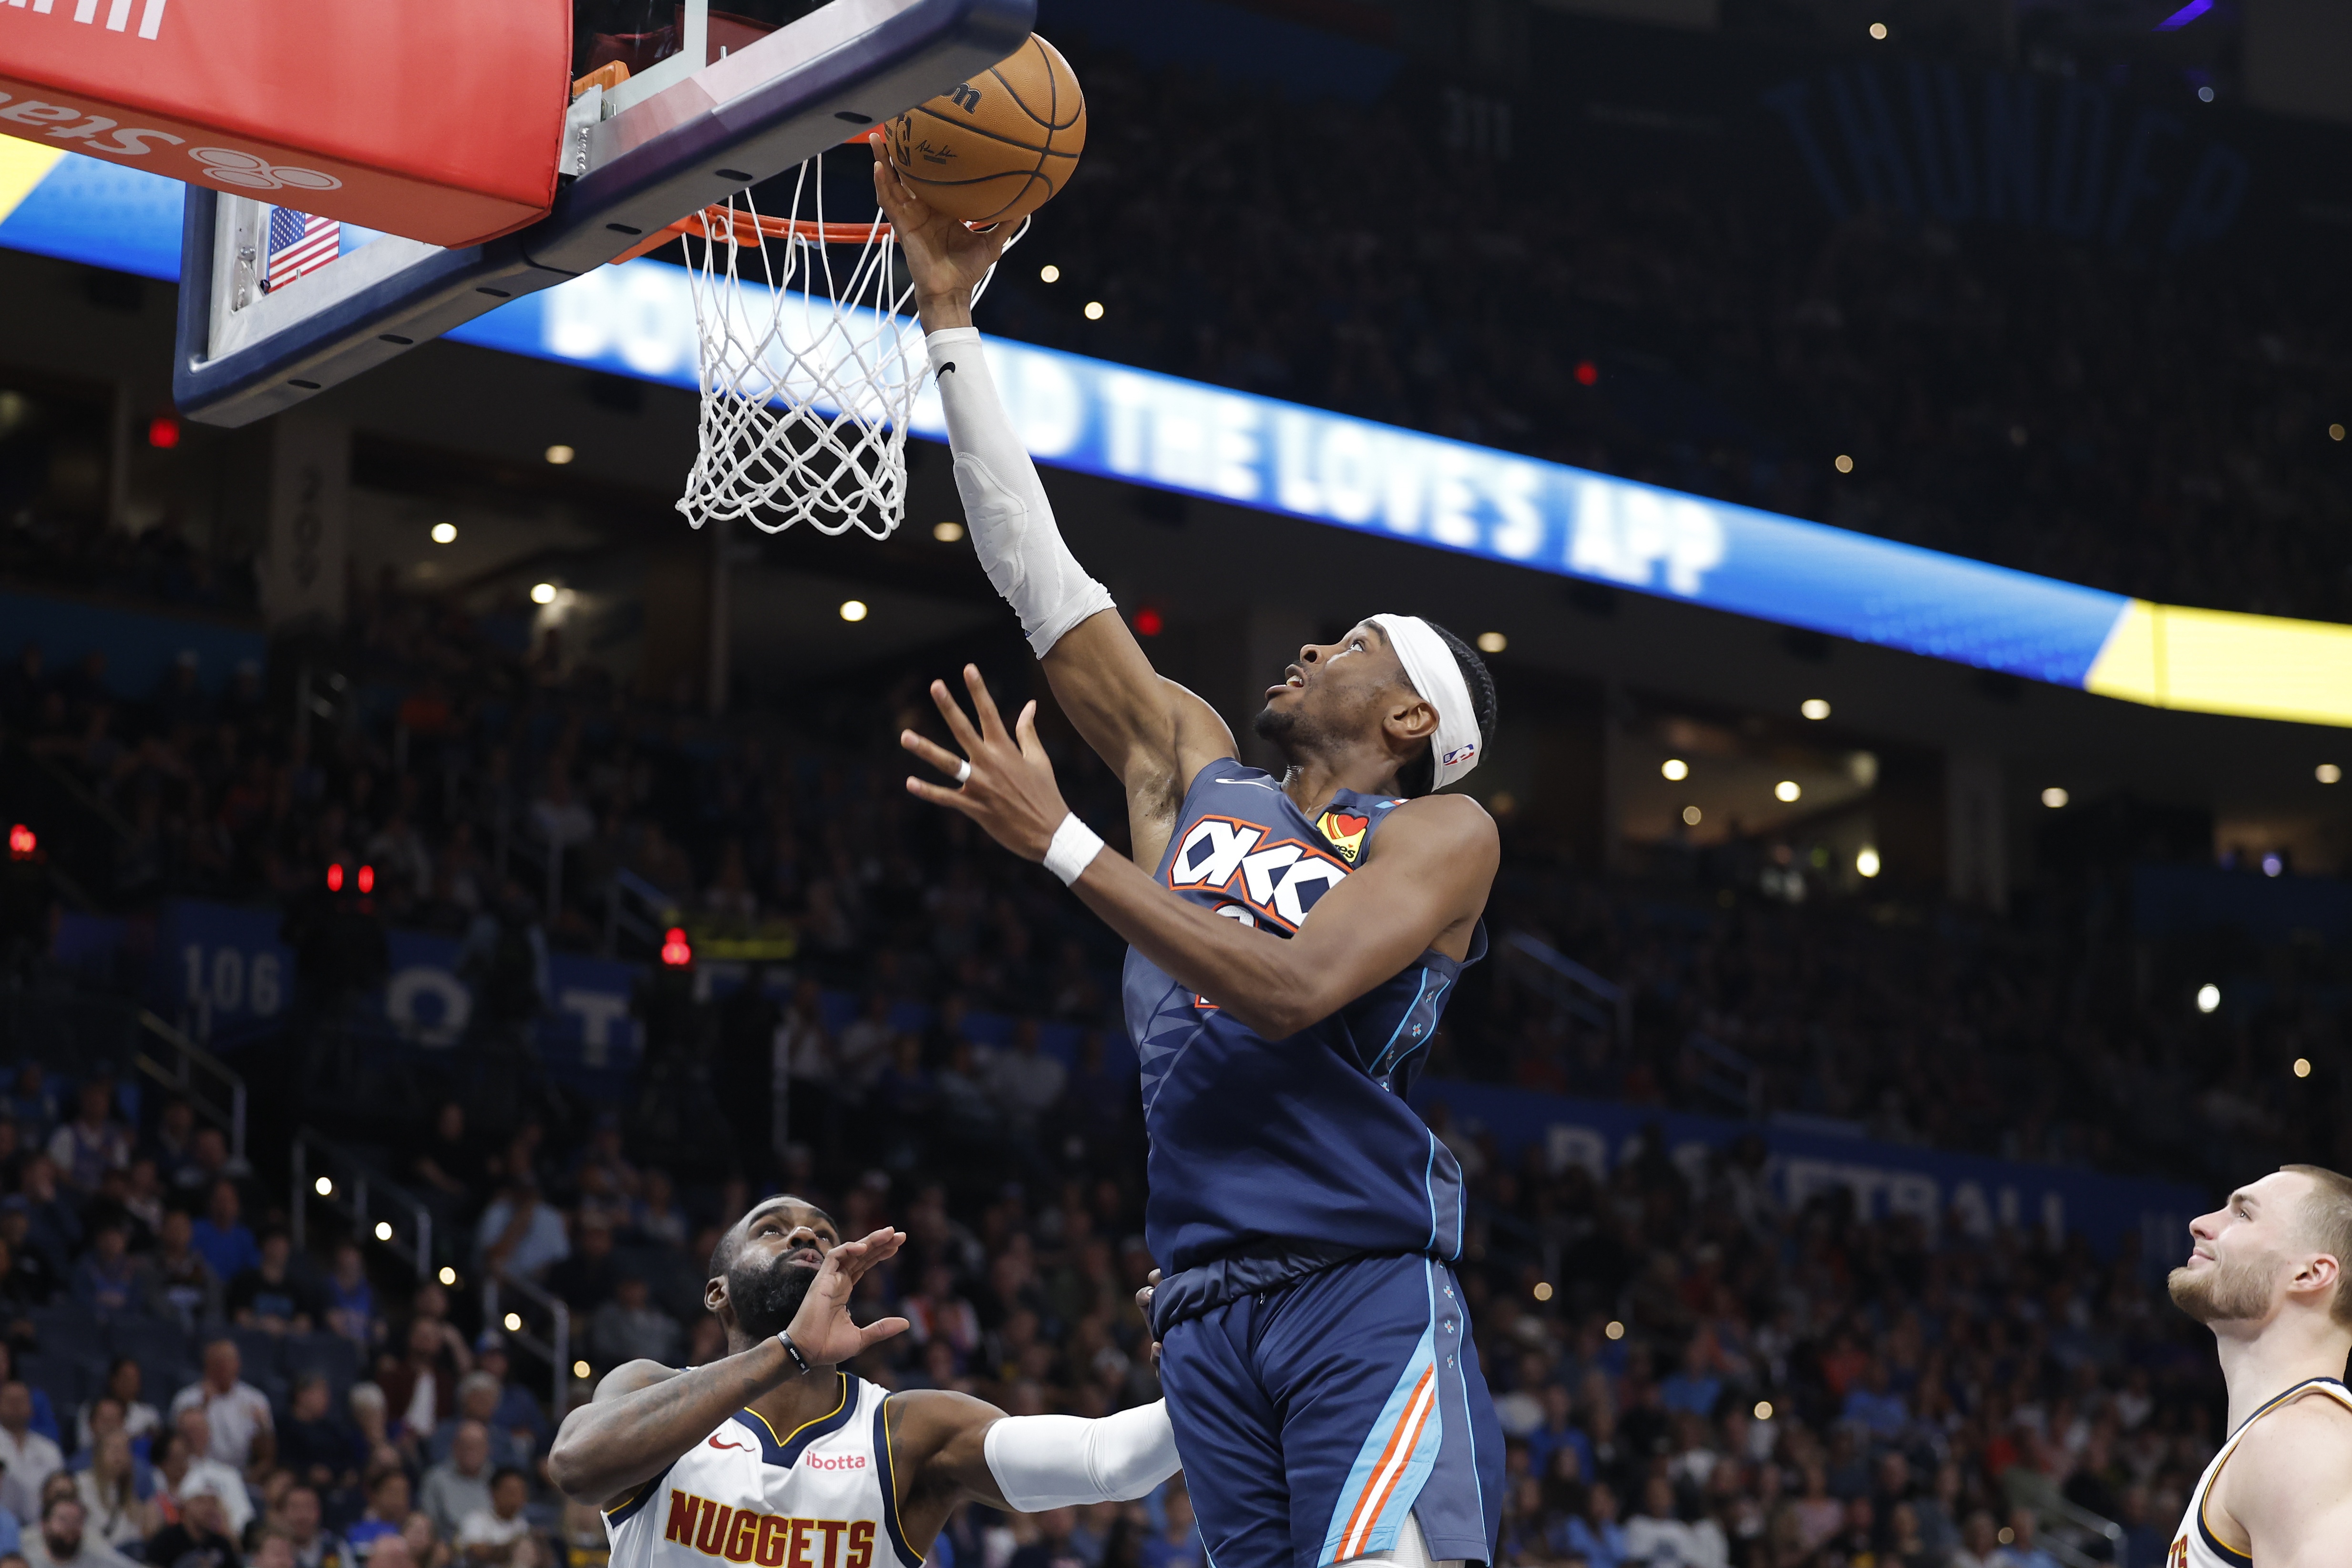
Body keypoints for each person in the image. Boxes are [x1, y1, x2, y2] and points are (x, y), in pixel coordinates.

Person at [874, 143, 1505, 1568]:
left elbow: (1290, 990)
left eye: (1351, 645)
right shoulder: (1196, 770)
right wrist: (950, 323)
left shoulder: (1439, 835)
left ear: (1411, 718)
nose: (1312, 646)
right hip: (1205, 1302)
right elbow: (1040, 576)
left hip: (1354, 1288)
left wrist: (1060, 844)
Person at [546, 1196, 1180, 1568]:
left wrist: (1197, 1376)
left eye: (825, 1235)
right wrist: (788, 1352)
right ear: (719, 1292)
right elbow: (576, 1466)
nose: (806, 1235)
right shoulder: (647, 1385)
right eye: (771, 1229)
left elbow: (1113, 1462)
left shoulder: (910, 1430)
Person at [2163, 1165, 2352, 1561]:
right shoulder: (2284, 1438)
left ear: (2309, 1273)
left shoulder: (2301, 1441)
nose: (2199, 1224)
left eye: (2243, 1213)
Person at [171, 1341, 274, 1471]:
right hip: (197, 1470)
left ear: (238, 1364)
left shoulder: (255, 1400)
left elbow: (268, 1455)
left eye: (229, 1362)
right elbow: (177, 1444)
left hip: (242, 1473)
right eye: (219, 1363)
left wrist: (262, 1428)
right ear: (207, 1365)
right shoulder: (187, 1398)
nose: (224, 1368)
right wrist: (204, 1405)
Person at [0, 1380, 67, 1522]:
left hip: (40, 1526)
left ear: (31, 1407)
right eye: (10, 1401)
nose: (16, 1406)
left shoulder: (49, 1449)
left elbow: (60, 1493)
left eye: (21, 1401)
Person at [71, 1430, 152, 1548]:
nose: (119, 1456)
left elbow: (135, 1536)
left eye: (124, 1450)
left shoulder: (131, 1496)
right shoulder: (80, 1484)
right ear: (99, 1454)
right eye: (114, 1449)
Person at [419, 1424, 493, 1545]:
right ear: (455, 1447)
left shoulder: (497, 1480)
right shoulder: (436, 1479)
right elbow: (429, 1525)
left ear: (487, 1449)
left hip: (492, 1546)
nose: (471, 1451)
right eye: (466, 1445)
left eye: (477, 1446)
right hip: (449, 1546)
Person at [145, 1477, 242, 1568]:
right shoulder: (165, 1542)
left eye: (213, 1503)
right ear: (185, 1505)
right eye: (200, 1501)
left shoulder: (222, 1545)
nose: (208, 1508)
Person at [21, 1496, 136, 1568]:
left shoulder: (97, 1559)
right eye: (64, 1520)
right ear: (44, 1525)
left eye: (77, 1521)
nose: (71, 1527)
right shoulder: (27, 1562)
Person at [453, 1469, 530, 1566]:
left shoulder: (523, 1524)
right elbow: (475, 1552)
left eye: (520, 1493)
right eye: (511, 1492)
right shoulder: (476, 1519)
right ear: (493, 1493)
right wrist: (514, 1547)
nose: (516, 1498)